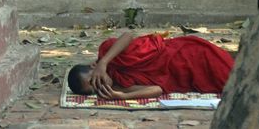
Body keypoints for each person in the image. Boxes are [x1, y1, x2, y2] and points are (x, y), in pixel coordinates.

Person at [67, 32, 234, 99]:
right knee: (231, 88)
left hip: (191, 54)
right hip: (187, 77)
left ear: (92, 67)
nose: (98, 84)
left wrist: (104, 62)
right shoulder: (119, 86)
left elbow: (128, 36)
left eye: (92, 79)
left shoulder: (106, 52)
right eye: (94, 89)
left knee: (237, 79)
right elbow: (158, 89)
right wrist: (122, 96)